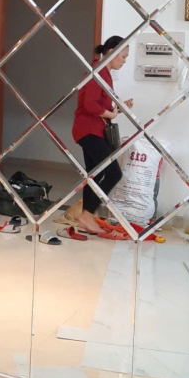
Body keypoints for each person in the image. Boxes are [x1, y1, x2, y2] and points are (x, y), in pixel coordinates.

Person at [70, 36, 133, 236]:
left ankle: (85, 219)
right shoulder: (97, 72)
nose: (124, 61)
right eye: (123, 56)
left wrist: (118, 109)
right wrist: (112, 114)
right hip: (88, 130)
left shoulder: (104, 72)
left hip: (91, 130)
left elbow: (100, 106)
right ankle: (88, 215)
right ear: (111, 52)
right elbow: (89, 105)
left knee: (94, 175)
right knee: (114, 172)